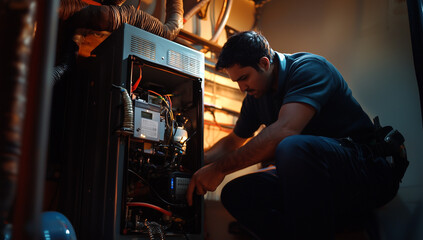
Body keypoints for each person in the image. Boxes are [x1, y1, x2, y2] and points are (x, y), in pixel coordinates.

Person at [186, 31, 407, 239]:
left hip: (367, 169)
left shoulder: (309, 68)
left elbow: (284, 131)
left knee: (291, 148)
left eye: (244, 78)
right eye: (237, 82)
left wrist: (220, 169)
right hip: (319, 176)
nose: (242, 88)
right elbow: (232, 142)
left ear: (264, 63)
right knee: (236, 194)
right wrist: (196, 163)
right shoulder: (255, 98)